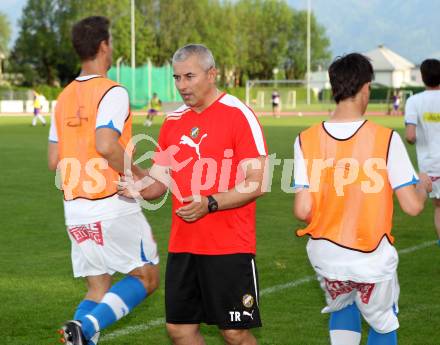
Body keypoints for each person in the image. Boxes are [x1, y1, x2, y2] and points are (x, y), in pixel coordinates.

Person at [119, 44, 267, 345]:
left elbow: (259, 181)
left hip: (228, 245)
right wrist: (138, 188)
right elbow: (159, 182)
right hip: (184, 244)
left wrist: (211, 203)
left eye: (189, 76)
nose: (182, 86)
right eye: (177, 78)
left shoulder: (239, 115)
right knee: (180, 330)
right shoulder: (173, 122)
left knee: (234, 332)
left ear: (212, 74)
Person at [292, 53, 432, 345]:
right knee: (382, 322)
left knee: (343, 304)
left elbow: (303, 208)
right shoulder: (385, 138)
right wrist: (423, 186)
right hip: (370, 256)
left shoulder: (306, 138)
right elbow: (413, 206)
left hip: (325, 256)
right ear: (365, 87)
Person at [47, 16, 159, 345]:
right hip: (111, 203)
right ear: (103, 46)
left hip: (74, 207)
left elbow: (54, 160)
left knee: (98, 288)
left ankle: (78, 335)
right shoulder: (111, 91)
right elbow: (106, 144)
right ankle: (86, 328)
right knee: (147, 276)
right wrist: (139, 177)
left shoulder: (64, 97)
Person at [405, 58, 440, 246]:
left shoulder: (414, 101)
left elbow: (410, 136)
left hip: (430, 167)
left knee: (439, 208)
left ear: (422, 77)